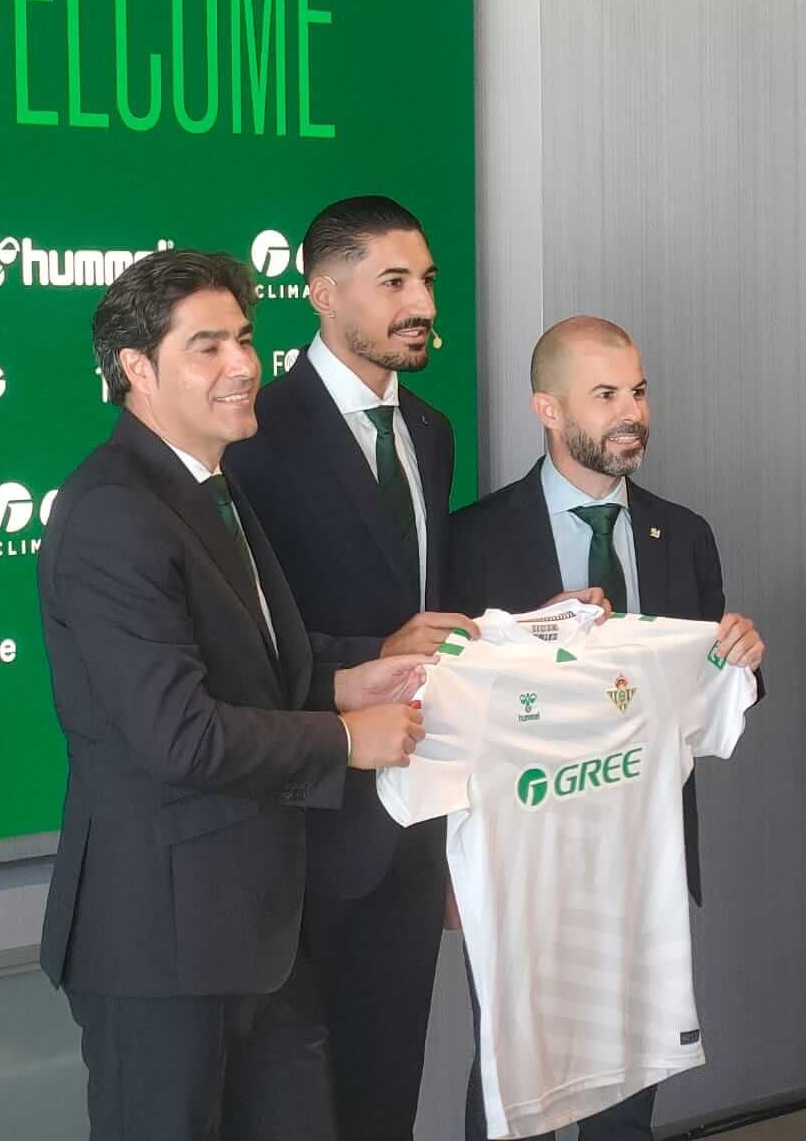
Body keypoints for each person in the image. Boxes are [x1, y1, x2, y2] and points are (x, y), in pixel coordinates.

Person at [36, 248, 427, 1141]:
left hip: (257, 933)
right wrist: (345, 738)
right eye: (206, 347)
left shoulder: (209, 485)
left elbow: (244, 668)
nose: (244, 366)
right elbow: (180, 735)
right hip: (157, 946)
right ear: (136, 370)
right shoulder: (112, 512)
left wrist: (344, 680)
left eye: (245, 339)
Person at [446, 314, 766, 1140]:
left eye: (639, 390)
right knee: (512, 1081)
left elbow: (709, 691)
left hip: (639, 865)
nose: (632, 412)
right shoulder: (470, 541)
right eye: (606, 394)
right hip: (522, 864)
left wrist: (744, 663)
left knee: (629, 1090)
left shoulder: (684, 534)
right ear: (547, 410)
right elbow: (443, 703)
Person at [224, 194, 476, 1141]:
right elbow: (242, 645)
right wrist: (372, 659)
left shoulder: (434, 432)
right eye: (394, 283)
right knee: (289, 1108)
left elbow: (434, 617)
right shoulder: (253, 435)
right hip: (298, 830)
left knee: (386, 1094)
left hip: (412, 823)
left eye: (427, 282)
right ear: (324, 293)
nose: (421, 304)